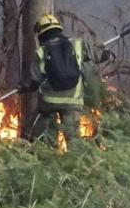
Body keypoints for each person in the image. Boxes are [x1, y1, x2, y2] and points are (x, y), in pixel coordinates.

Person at [24, 14, 88, 144]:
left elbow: (34, 81)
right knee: (73, 141)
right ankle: (74, 155)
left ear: (40, 33)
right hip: (74, 100)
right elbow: (96, 59)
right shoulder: (77, 44)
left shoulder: (41, 52)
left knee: (46, 138)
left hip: (49, 103)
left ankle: (48, 149)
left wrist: (24, 87)